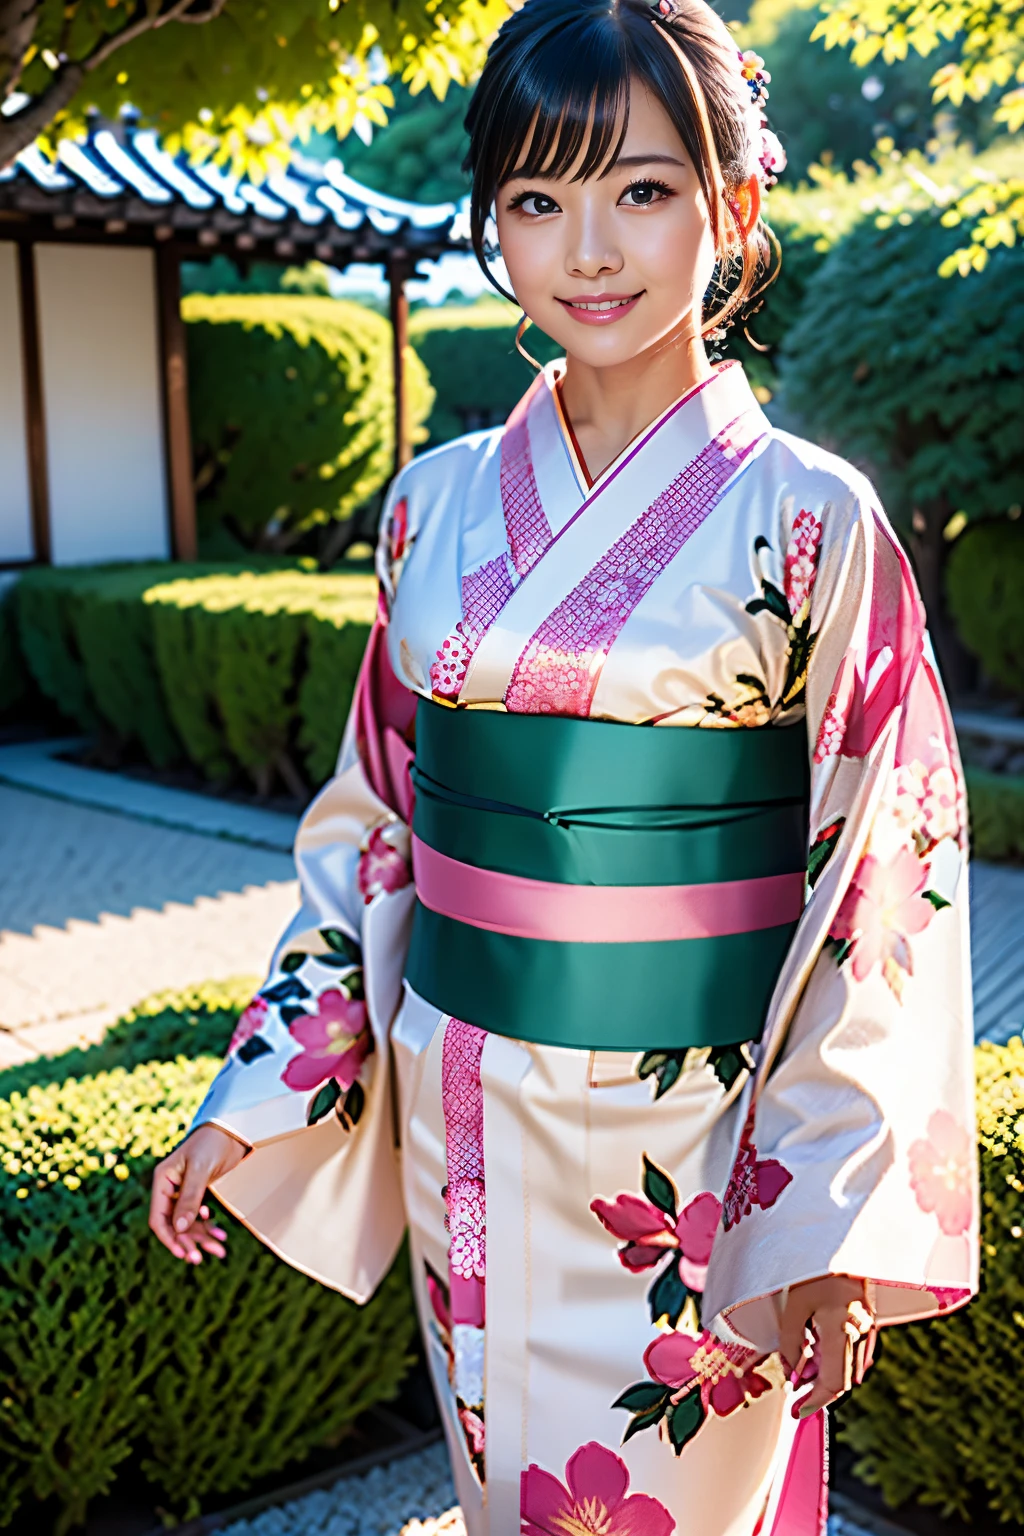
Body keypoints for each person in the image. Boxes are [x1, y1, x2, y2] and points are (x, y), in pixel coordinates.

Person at [150, 1, 978, 1530]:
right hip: (466, 1100)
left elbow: (888, 871)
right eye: (538, 200)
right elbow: (380, 823)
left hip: (700, 1150)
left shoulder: (814, 518)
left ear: (733, 208)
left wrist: (833, 1208)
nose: (589, 248)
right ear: (492, 230)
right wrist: (265, 1083)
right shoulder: (433, 508)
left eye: (643, 191)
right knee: (505, 1499)